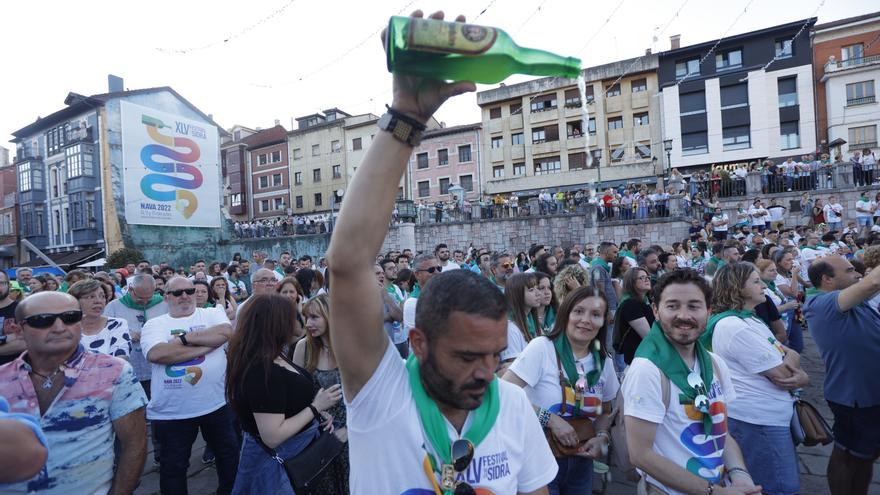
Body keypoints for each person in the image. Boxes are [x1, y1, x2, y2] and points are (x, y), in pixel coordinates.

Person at [326, 11, 558, 492]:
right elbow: (348, 265)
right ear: (418, 344)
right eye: (468, 356)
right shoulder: (380, 393)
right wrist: (407, 119)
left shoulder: (513, 407)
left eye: (496, 355)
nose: (488, 373)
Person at [622, 269, 760, 495]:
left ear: (709, 311)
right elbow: (640, 455)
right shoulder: (647, 371)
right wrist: (712, 491)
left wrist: (739, 474)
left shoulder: (714, 364)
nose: (684, 315)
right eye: (673, 306)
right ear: (656, 311)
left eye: (694, 306)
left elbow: (721, 431)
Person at [0, 292, 147, 494]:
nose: (60, 327)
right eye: (43, 321)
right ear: (18, 329)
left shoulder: (114, 371)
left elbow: (134, 444)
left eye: (70, 317)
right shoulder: (2, 380)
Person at [703, 263, 807, 494]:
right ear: (737, 288)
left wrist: (795, 358)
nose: (763, 286)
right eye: (756, 281)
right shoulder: (735, 326)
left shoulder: (749, 320)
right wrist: (798, 370)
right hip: (760, 420)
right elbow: (784, 373)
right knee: (780, 487)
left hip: (768, 416)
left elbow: (786, 352)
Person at [503, 286, 619, 494]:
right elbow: (504, 392)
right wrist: (551, 420)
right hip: (538, 458)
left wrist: (602, 436)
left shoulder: (604, 362)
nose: (586, 320)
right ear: (566, 314)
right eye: (579, 311)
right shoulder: (542, 348)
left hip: (581, 460)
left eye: (595, 314)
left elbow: (606, 410)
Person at [226, 293, 341, 494]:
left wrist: (317, 414)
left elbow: (288, 400)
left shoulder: (275, 354)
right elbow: (273, 436)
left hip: (297, 453)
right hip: (277, 465)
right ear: (275, 325)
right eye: (292, 319)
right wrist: (316, 407)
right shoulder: (261, 371)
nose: (298, 324)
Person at [141, 276, 239, 495]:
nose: (185, 296)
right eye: (177, 293)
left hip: (217, 405)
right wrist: (207, 345)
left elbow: (225, 333)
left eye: (189, 290)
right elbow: (158, 353)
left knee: (229, 457)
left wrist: (183, 340)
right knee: (173, 468)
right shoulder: (155, 324)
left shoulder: (212, 313)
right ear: (166, 297)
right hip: (172, 412)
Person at [803, 256, 880, 495]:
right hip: (854, 395)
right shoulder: (820, 303)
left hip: (870, 392)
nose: (857, 273)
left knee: (866, 454)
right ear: (827, 280)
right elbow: (872, 283)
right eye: (849, 270)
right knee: (848, 456)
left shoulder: (851, 300)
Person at [291, 294, 350, 494]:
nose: (308, 323)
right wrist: (317, 411)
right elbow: (297, 393)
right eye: (306, 317)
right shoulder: (303, 347)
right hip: (320, 434)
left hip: (353, 434)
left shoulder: (351, 347)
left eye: (315, 317)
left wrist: (350, 429)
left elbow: (371, 398)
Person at [103, 274, 168, 397]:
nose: (144, 302)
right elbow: (104, 333)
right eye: (140, 298)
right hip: (128, 369)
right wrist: (125, 335)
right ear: (131, 289)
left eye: (148, 298)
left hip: (157, 368)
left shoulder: (164, 304)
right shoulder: (113, 307)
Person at [68, 279, 131, 358]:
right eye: (91, 297)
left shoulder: (117, 324)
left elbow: (121, 359)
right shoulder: (65, 327)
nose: (98, 301)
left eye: (102, 296)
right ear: (75, 300)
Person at [612, 267, 653, 365]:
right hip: (639, 359)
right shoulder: (630, 304)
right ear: (631, 282)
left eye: (647, 277)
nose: (646, 279)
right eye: (641, 278)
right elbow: (648, 336)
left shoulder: (646, 301)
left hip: (648, 356)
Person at [501, 273, 542, 367]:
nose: (538, 293)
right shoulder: (510, 327)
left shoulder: (530, 319)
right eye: (531, 290)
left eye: (537, 288)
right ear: (517, 295)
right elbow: (514, 367)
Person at [0, 270, 23, 366]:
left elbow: (24, 343)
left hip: (14, 374)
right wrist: (7, 338)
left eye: (0, 283)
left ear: (9, 285)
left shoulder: (22, 309)